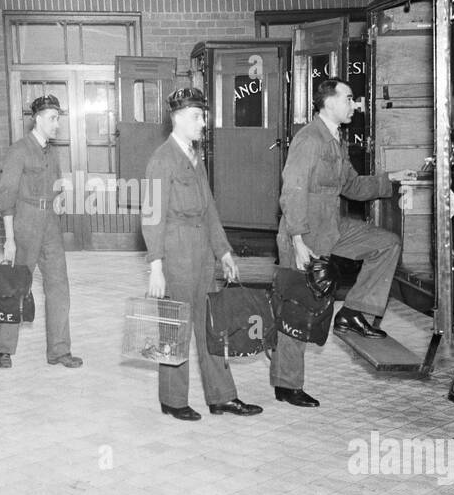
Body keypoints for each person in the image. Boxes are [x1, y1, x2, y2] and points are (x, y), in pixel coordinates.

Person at [271, 77, 415, 407]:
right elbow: (291, 189)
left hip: (332, 228)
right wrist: (296, 240)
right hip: (304, 233)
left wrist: (389, 180)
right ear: (330, 103)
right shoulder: (309, 139)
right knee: (298, 308)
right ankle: (287, 384)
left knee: (386, 243)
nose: (355, 104)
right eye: (349, 98)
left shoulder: (336, 140)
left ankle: (354, 311)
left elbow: (352, 186)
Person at [144, 88, 262, 422]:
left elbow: (209, 209)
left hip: (202, 255)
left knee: (213, 327)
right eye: (196, 116)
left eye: (202, 115)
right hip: (175, 252)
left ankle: (222, 396)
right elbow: (151, 217)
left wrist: (223, 251)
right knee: (175, 328)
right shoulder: (161, 160)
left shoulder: (195, 158)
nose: (202, 122)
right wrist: (156, 266)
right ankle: (172, 398)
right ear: (177, 118)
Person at [0, 95, 81, 370]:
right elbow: (6, 196)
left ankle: (59, 350)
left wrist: (59, 202)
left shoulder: (51, 152)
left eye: (58, 118)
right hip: (25, 222)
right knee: (16, 284)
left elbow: (57, 184)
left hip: (50, 224)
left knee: (59, 285)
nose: (57, 124)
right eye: (53, 118)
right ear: (38, 119)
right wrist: (9, 239)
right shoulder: (18, 150)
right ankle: (4, 349)